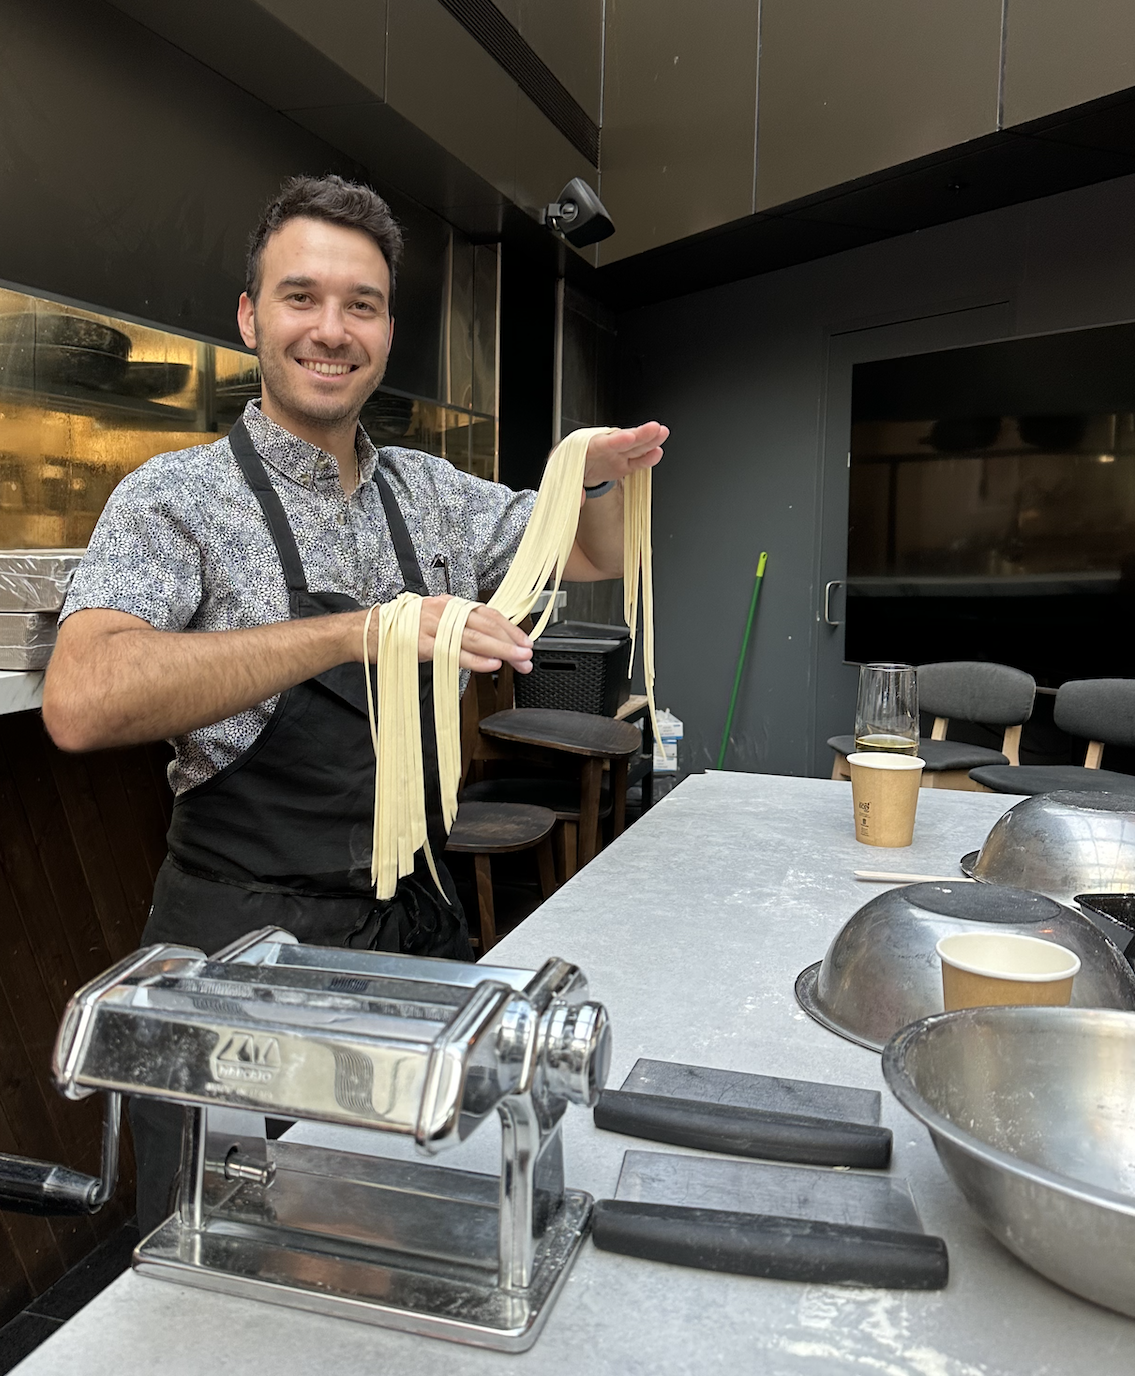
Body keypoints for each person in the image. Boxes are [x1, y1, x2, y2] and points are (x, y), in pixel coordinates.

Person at [43, 174, 667, 1227]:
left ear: (386, 329)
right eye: (300, 297)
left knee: (404, 1218)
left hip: (401, 935)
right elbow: (82, 697)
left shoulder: (424, 492)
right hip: (241, 947)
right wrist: (359, 629)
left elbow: (596, 551)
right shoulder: (173, 495)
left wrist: (590, 471)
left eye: (361, 305)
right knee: (228, 1246)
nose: (329, 330)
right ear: (250, 317)